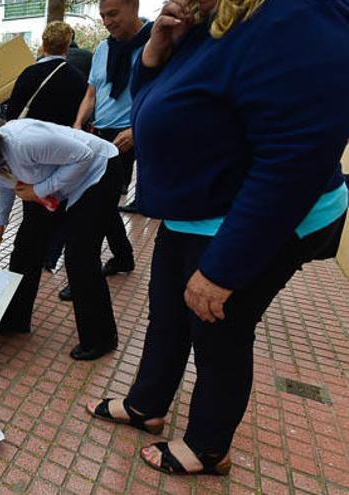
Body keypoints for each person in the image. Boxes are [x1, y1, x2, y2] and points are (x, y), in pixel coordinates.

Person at [87, 0, 349, 476]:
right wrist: (155, 51)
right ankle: (147, 405)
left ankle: (209, 448)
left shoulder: (298, 16)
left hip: (248, 220)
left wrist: (224, 267)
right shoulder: (207, 23)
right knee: (166, 317)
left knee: (219, 335)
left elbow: (297, 158)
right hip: (191, 212)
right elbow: (148, 110)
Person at [0, 112, 121, 360]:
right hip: (55, 185)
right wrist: (0, 224)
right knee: (25, 250)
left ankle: (101, 338)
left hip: (97, 172)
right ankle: (14, 319)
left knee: (80, 257)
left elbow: (83, 155)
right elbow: (6, 185)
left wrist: (39, 190)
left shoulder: (23, 141)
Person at [63, 0, 148, 301]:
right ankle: (122, 257)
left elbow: (166, 92)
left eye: (113, 14)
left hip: (137, 133)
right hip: (102, 134)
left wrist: (139, 129)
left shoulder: (156, 40)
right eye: (102, 16)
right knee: (103, 202)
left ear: (134, 6)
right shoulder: (102, 49)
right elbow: (91, 93)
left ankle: (83, 271)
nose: (107, 22)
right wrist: (77, 123)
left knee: (95, 203)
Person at [6, 21, 89, 272]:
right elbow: (82, 119)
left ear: (43, 44)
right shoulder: (76, 78)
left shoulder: (27, 73)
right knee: (58, 206)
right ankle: (49, 256)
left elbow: (11, 114)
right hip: (62, 156)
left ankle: (31, 255)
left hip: (27, 156)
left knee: (32, 209)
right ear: (67, 46)